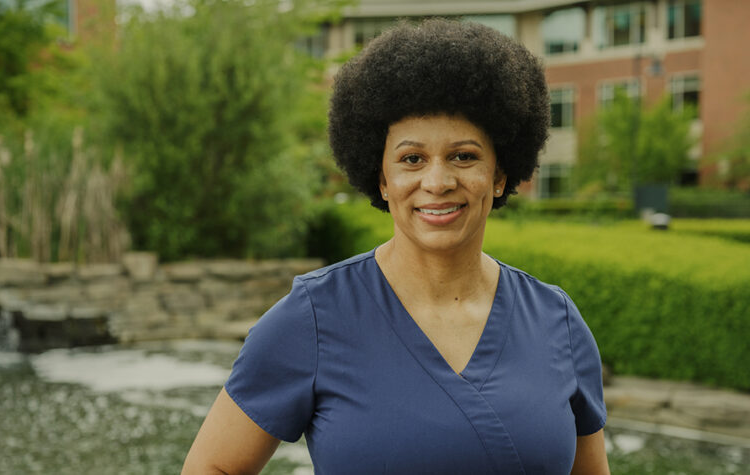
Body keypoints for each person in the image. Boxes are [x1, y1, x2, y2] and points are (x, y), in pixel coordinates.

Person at [182, 18, 609, 475]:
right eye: (412, 159)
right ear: (382, 179)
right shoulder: (312, 318)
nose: (438, 181)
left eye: (464, 156)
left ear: (500, 175)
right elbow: (212, 467)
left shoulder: (556, 321)